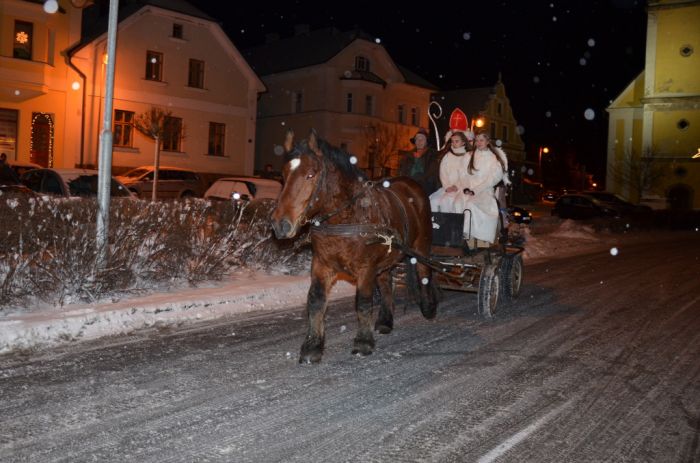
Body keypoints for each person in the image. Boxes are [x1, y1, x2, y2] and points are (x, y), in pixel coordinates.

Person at [461, 131, 510, 247]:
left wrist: (476, 190)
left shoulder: (493, 159)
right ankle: (457, 239)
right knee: (455, 203)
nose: (478, 143)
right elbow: (463, 175)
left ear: (488, 142)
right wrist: (466, 187)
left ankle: (477, 242)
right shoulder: (469, 156)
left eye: (481, 140)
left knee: (472, 205)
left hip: (485, 192)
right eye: (477, 140)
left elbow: (492, 179)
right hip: (468, 191)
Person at [428, 130, 472, 213]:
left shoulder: (467, 156)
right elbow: (442, 173)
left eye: (457, 141)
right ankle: (436, 224)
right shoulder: (447, 156)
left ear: (463, 142)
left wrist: (456, 186)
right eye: (452, 141)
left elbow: (466, 175)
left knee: (446, 202)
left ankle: (449, 224)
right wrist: (447, 186)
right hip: (447, 188)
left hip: (460, 188)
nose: (454, 143)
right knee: (433, 201)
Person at [398, 127, 441, 196]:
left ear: (426, 142)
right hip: (408, 184)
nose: (419, 141)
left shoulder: (432, 155)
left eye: (422, 139)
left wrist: (414, 180)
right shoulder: (408, 156)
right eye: (417, 139)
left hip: (426, 185)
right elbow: (402, 171)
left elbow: (430, 173)